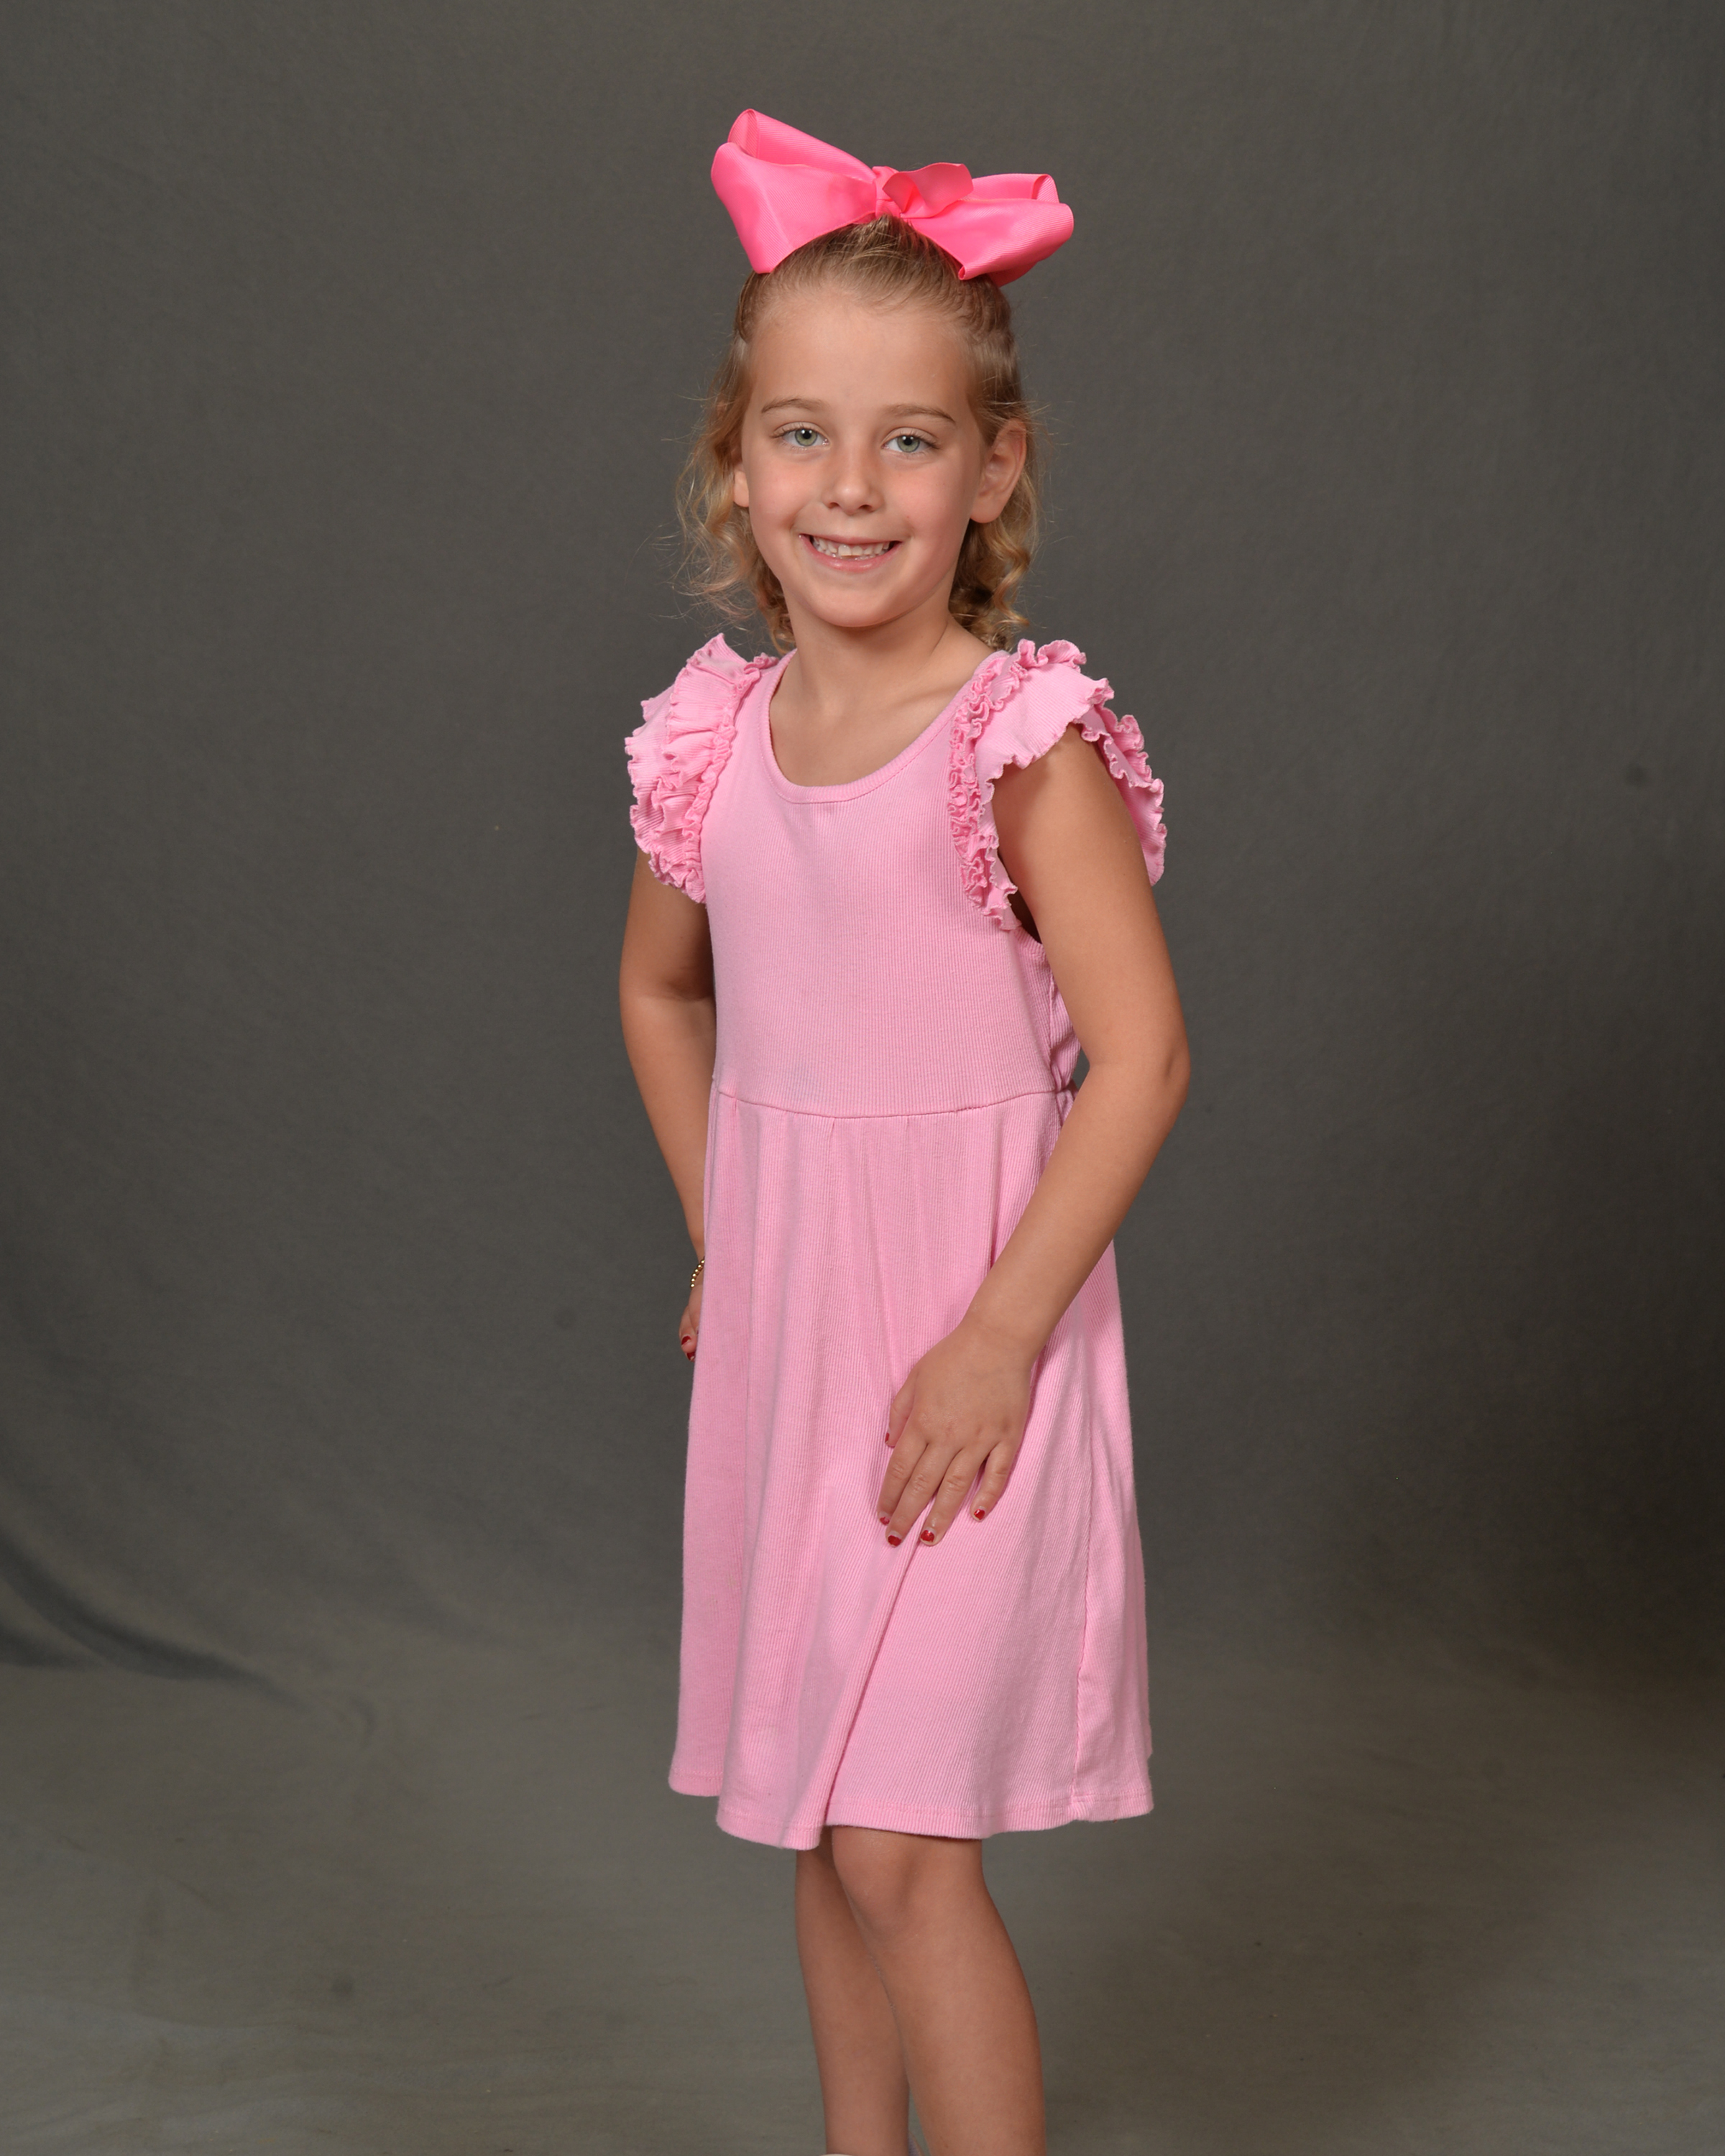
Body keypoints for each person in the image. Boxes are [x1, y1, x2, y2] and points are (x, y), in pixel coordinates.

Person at [618, 111, 1190, 2156]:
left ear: (993, 472)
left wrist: (999, 1337)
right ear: (736, 462)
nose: (850, 488)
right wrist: (728, 1232)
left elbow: (1144, 1060)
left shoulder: (1017, 743)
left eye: (910, 442)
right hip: (799, 1351)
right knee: (822, 1817)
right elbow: (660, 994)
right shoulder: (715, 739)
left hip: (971, 1341)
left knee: (900, 1847)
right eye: (802, 435)